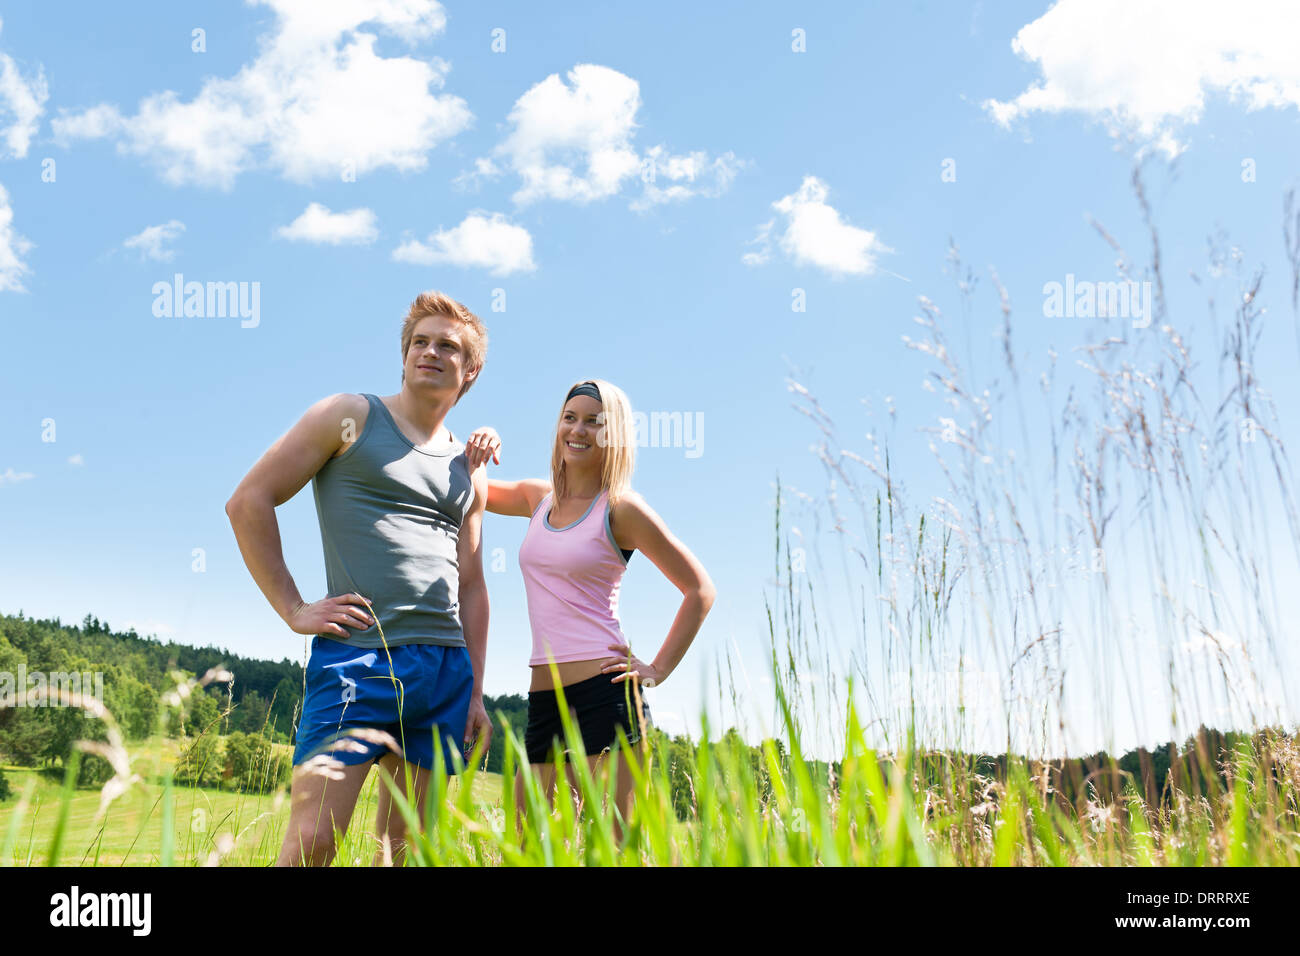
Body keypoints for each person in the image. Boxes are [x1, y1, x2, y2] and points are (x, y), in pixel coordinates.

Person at [224, 290, 499, 867]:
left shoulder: (469, 468)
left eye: (446, 345)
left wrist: (474, 690)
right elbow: (249, 501)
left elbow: (473, 586)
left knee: (406, 852)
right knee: (313, 843)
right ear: (402, 356)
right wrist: (294, 608)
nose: (429, 351)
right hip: (358, 658)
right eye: (419, 341)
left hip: (444, 669)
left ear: (469, 370)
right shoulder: (349, 416)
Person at [473, 379, 715, 837]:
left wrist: (657, 669)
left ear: (613, 434)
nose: (578, 430)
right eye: (570, 418)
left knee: (618, 846)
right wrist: (486, 437)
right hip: (545, 698)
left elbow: (699, 589)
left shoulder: (622, 510)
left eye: (593, 421)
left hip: (606, 696)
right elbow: (473, 488)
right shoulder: (536, 498)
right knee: (529, 843)